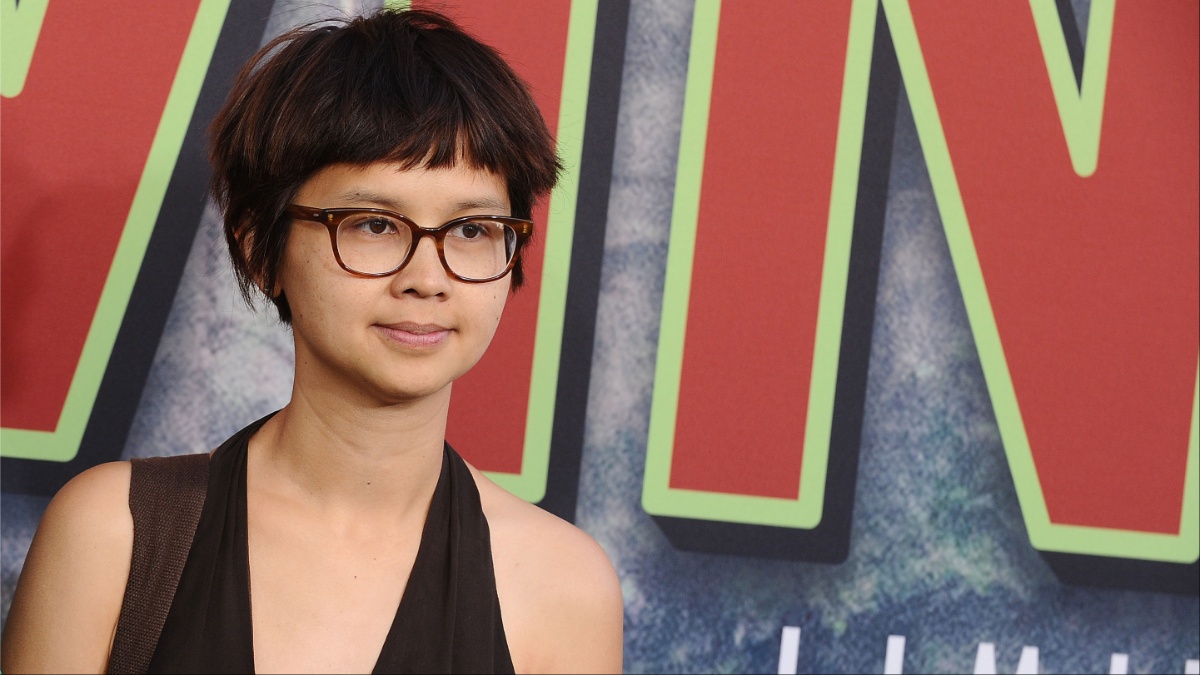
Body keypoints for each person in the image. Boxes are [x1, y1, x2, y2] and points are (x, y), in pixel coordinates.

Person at [1, 8, 623, 674]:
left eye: (472, 230)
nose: (427, 277)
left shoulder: (563, 586)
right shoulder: (116, 536)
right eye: (374, 225)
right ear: (260, 247)